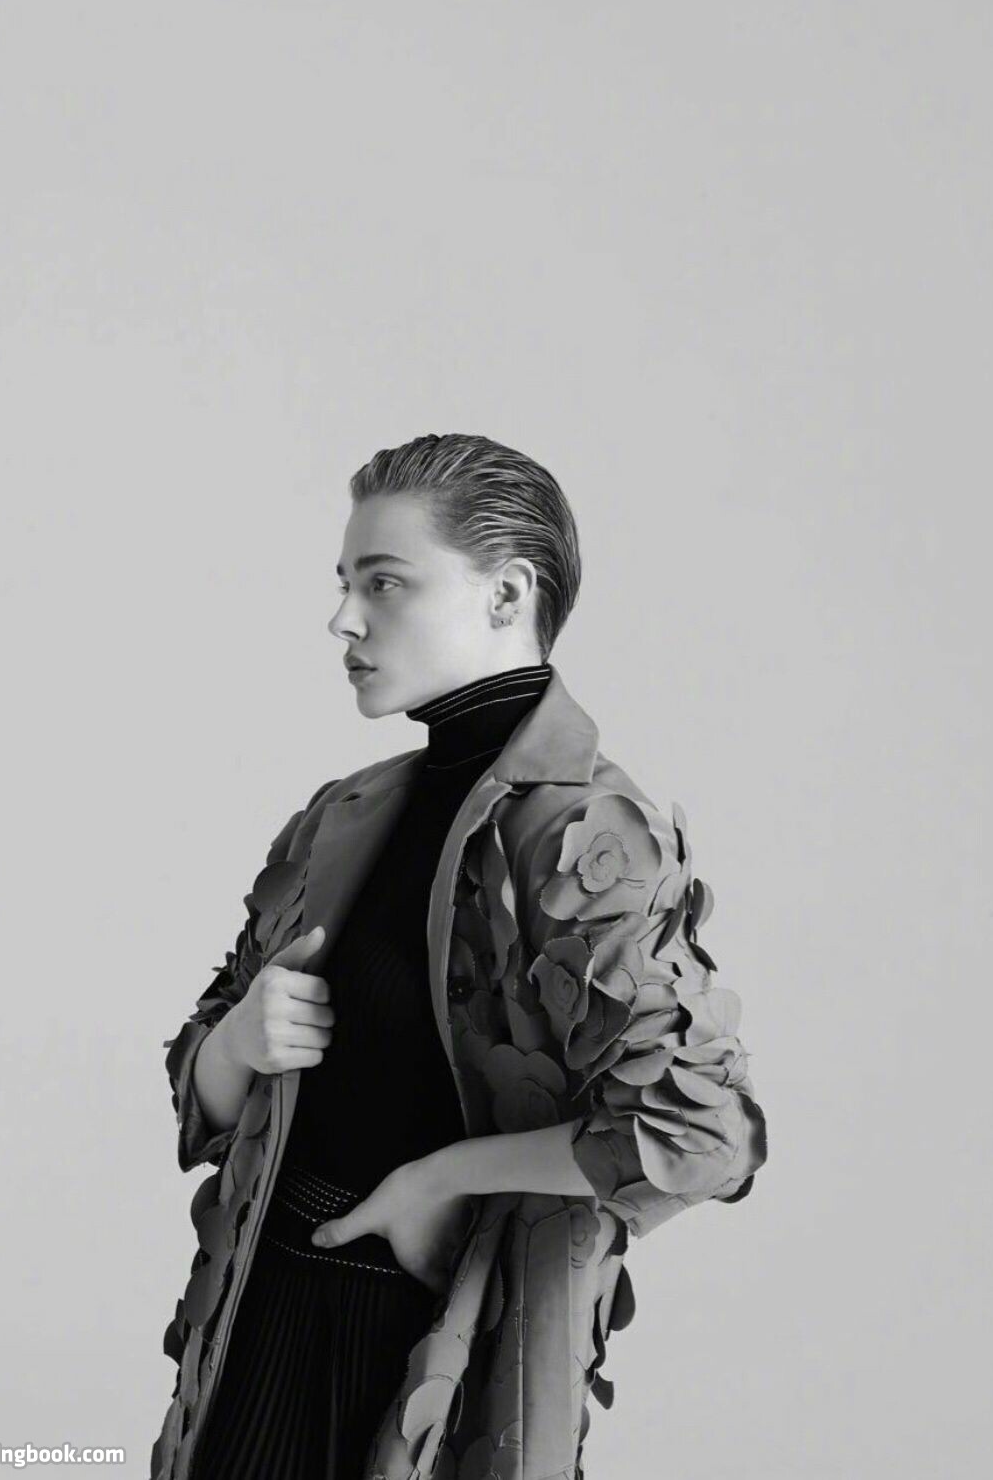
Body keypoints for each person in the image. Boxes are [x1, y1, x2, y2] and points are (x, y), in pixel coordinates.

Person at [151, 432, 768, 1480]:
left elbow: (700, 1133)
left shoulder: (588, 837)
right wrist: (238, 1043)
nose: (344, 618)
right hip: (255, 1319)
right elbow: (201, 1079)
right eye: (345, 582)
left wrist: (443, 1178)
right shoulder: (346, 812)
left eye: (384, 582)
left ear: (507, 593)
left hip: (437, 1356)